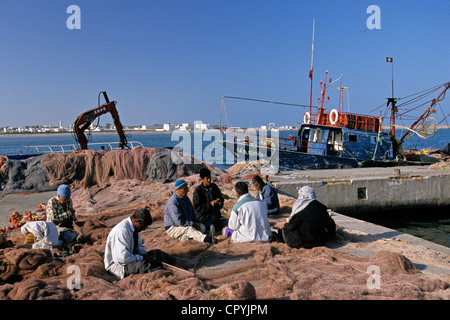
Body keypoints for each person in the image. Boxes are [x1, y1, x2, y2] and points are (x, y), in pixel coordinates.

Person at [104, 208, 176, 279]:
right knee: (143, 265)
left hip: (132, 258)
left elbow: (139, 246)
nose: (143, 229)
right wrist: (142, 258)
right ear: (137, 221)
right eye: (143, 226)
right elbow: (122, 258)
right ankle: (167, 274)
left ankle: (176, 264)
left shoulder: (134, 228)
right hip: (120, 266)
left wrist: (144, 254)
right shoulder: (122, 231)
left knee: (157, 253)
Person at [193, 168, 227, 234]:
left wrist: (220, 202)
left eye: (210, 178)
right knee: (211, 227)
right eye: (207, 178)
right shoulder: (198, 191)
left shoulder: (214, 187)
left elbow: (221, 198)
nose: (209, 180)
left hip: (216, 217)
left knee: (228, 223)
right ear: (202, 179)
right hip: (205, 218)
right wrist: (210, 204)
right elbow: (197, 208)